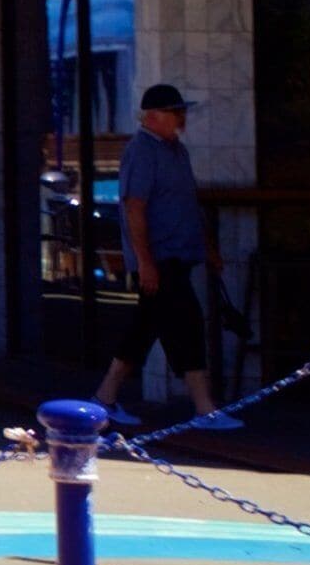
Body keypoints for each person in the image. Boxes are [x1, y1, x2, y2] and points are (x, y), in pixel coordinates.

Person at [95, 83, 236, 430]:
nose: (182, 119)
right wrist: (145, 261)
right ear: (154, 117)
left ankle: (105, 397)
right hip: (160, 260)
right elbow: (134, 208)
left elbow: (188, 204)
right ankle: (203, 407)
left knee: (144, 328)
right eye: (176, 113)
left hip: (180, 254)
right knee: (187, 324)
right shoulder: (141, 151)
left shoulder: (178, 151)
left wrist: (207, 247)